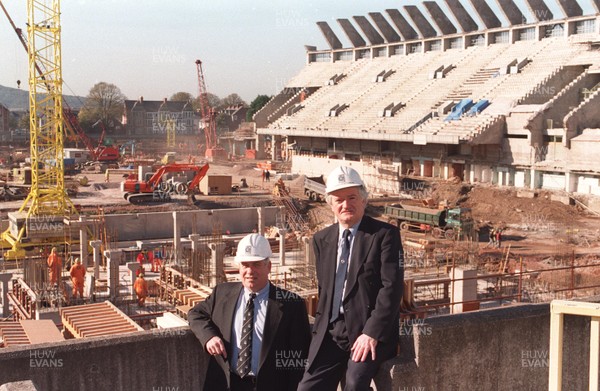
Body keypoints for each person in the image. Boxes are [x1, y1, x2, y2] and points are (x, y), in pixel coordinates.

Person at [298, 166, 403, 391]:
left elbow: (391, 288)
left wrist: (372, 333)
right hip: (332, 332)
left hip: (367, 329)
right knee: (307, 388)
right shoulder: (321, 239)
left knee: (354, 384)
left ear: (364, 200)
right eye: (339, 200)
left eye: (352, 197)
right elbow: (324, 290)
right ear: (330, 204)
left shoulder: (384, 235)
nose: (346, 205)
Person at [188, 233, 311, 391]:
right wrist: (209, 337)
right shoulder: (222, 293)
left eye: (256, 264)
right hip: (227, 384)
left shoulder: (291, 304)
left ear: (269, 267)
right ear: (238, 267)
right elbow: (195, 314)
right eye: (245, 265)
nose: (250, 271)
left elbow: (299, 358)